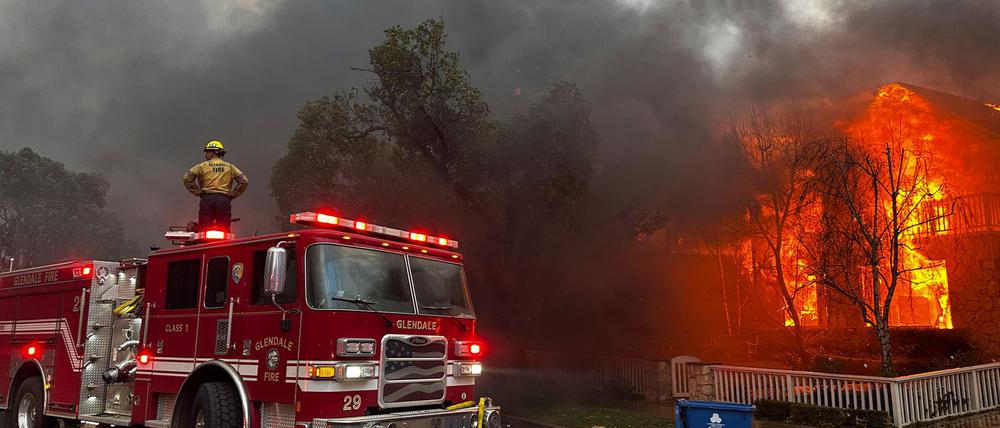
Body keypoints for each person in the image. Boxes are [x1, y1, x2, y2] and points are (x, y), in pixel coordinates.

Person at [182, 140, 249, 232]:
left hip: (207, 200)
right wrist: (233, 194)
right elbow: (244, 181)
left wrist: (198, 192)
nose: (206, 155)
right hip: (224, 201)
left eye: (207, 152)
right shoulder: (230, 167)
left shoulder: (201, 166)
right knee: (224, 231)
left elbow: (187, 178)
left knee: (204, 231)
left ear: (213, 152)